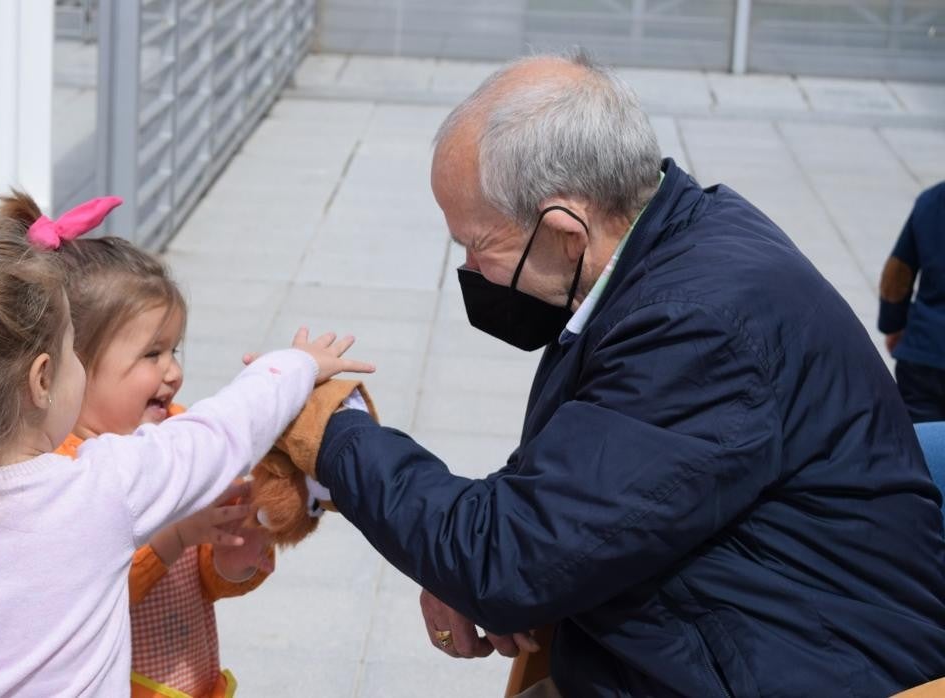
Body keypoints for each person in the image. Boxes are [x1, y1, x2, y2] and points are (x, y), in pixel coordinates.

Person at [309, 51, 945, 696]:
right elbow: (591, 479)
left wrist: (334, 436)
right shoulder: (674, 239)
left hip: (807, 666)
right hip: (739, 634)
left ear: (565, 231)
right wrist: (466, 563)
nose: (472, 271)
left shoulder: (698, 327)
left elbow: (508, 562)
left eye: (478, 245)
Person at [0, 191, 371, 696]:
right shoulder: (100, 487)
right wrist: (296, 365)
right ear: (42, 380)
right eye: (71, 352)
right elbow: (226, 429)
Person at [53, 233, 274, 698]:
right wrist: (177, 535)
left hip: (193, 680)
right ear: (73, 366)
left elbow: (207, 583)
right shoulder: (63, 473)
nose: (172, 371)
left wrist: (236, 555)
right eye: (152, 354)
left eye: (175, 350)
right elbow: (95, 600)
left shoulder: (183, 434)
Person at [880, 181, 945, 423]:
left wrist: (892, 324)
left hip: (923, 354)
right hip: (923, 353)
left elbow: (897, 274)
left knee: (921, 447)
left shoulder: (932, 200)